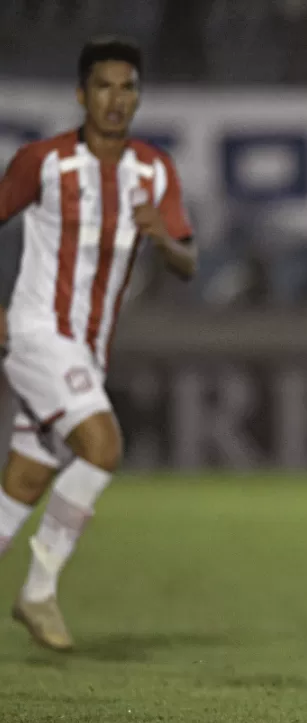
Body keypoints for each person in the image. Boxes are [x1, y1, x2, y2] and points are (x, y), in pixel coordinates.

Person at [0, 38, 197, 651]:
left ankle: (35, 590)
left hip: (87, 350)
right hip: (38, 333)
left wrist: (163, 240)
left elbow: (187, 262)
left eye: (128, 87)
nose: (117, 99)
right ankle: (38, 592)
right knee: (103, 445)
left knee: (25, 483)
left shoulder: (155, 170)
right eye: (105, 86)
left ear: (138, 96)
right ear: (82, 95)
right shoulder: (43, 161)